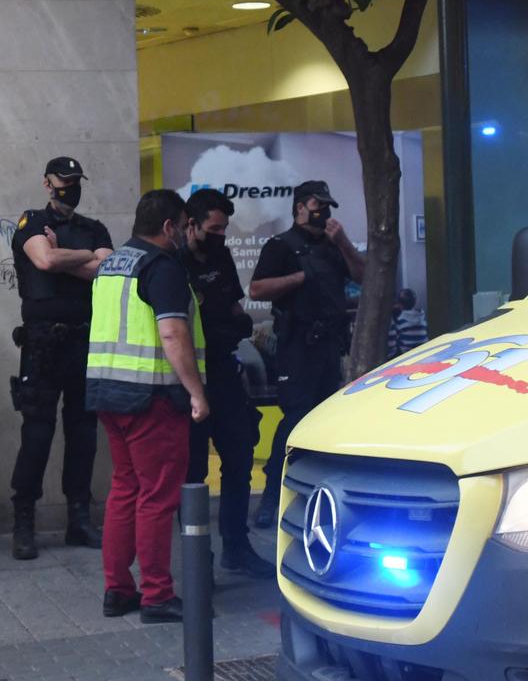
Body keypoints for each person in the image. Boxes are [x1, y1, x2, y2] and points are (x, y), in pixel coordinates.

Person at [87, 189, 209, 623]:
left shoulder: (111, 265)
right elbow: (173, 335)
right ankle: (157, 595)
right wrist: (196, 392)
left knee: (126, 490)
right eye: (183, 226)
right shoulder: (162, 267)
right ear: (170, 227)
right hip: (153, 399)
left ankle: (118, 590)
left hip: (110, 394)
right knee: (157, 497)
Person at [8, 155, 113, 560]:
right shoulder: (32, 221)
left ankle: (79, 520)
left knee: (84, 433)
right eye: (62, 180)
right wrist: (82, 257)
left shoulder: (93, 227)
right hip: (42, 345)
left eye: (75, 180)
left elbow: (106, 268)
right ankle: (24, 522)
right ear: (47, 183)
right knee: (36, 433)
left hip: (84, 342)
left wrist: (67, 255)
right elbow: (44, 260)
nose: (70, 186)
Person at [249, 180, 365, 527]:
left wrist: (342, 241)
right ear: (300, 206)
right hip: (298, 346)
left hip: (330, 346)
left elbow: (364, 275)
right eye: (317, 205)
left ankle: (321, 497)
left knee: (327, 421)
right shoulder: (281, 246)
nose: (323, 211)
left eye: (327, 205)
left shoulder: (332, 247)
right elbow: (257, 288)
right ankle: (271, 496)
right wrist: (300, 277)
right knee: (295, 418)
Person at [181, 189, 273, 578]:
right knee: (193, 473)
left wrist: (235, 325)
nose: (220, 234)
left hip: (224, 372)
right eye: (213, 228)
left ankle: (236, 547)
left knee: (238, 461)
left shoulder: (220, 255)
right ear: (191, 224)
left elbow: (236, 312)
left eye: (223, 228)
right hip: (190, 380)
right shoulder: (174, 262)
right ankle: (196, 564)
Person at [389, 288, 428, 357]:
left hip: (407, 354)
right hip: (423, 351)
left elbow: (394, 339)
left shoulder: (400, 320)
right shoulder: (422, 316)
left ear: (399, 304)